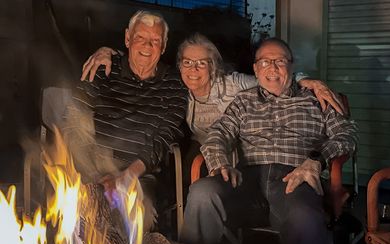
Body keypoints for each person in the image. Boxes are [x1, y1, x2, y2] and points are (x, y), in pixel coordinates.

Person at [81, 33, 344, 188]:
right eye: (187, 62)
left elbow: (272, 78)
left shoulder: (234, 83)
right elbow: (142, 65)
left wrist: (305, 79)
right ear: (179, 66)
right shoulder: (177, 87)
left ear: (214, 66)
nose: (193, 69)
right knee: (182, 170)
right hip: (207, 148)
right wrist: (110, 52)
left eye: (202, 63)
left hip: (245, 151)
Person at [179, 38, 358, 244]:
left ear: (291, 65)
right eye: (264, 62)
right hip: (247, 180)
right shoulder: (243, 101)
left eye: (280, 61)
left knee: (305, 218)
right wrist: (220, 163)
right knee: (202, 192)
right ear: (255, 69)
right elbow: (220, 131)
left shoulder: (317, 99)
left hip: (296, 179)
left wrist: (316, 160)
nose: (272, 67)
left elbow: (347, 134)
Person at [73, 10, 188, 231]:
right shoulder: (100, 70)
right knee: (80, 210)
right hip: (91, 169)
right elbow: (74, 122)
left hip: (139, 174)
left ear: (163, 46)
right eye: (140, 38)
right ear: (127, 38)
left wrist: (126, 177)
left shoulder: (174, 84)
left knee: (138, 215)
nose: (147, 46)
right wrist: (95, 174)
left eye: (155, 40)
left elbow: (164, 137)